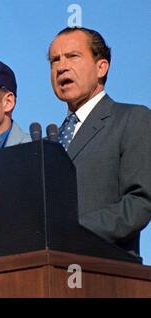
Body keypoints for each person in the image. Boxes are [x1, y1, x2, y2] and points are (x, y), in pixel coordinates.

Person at [48, 26, 151, 258]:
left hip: (106, 271)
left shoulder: (132, 119)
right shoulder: (49, 142)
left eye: (72, 56)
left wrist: (72, 231)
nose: (61, 66)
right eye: (54, 60)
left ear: (101, 67)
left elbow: (140, 202)